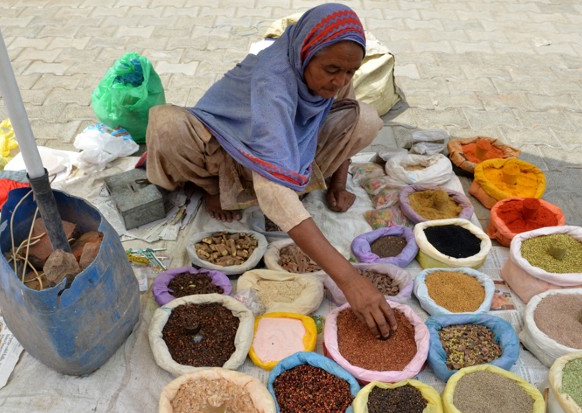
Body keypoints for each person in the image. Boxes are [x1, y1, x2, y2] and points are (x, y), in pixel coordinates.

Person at [145, 3, 397, 338]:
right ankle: (212, 187)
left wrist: (338, 180)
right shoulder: (273, 78)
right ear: (306, 54)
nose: (340, 80)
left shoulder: (335, 68)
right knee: (166, 124)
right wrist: (349, 279)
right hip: (228, 144)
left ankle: (298, 185)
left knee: (365, 117)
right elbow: (271, 188)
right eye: (332, 70)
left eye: (350, 72)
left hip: (285, 144)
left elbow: (333, 113)